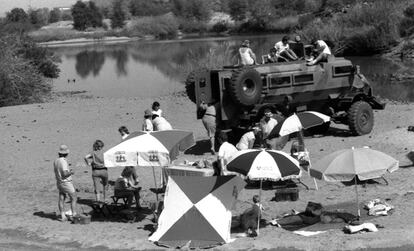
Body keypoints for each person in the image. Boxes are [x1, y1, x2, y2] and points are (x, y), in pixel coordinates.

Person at [54, 145, 77, 221]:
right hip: (66, 182)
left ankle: (63, 216)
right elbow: (64, 173)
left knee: (61, 198)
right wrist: (71, 172)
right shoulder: (63, 161)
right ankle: (74, 214)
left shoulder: (56, 161)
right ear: (66, 153)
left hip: (59, 182)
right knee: (74, 198)